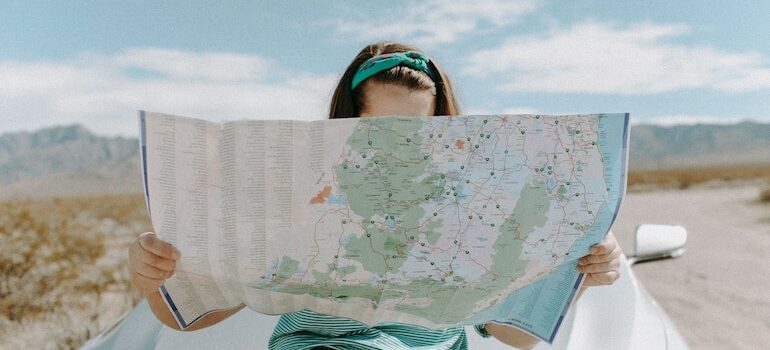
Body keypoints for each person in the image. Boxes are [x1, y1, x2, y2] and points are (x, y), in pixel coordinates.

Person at [128, 42, 623, 350]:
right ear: (345, 124)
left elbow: (513, 335)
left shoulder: (473, 209)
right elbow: (191, 318)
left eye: (416, 132)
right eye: (378, 130)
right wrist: (154, 278)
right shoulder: (296, 196)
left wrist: (578, 275)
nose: (396, 148)